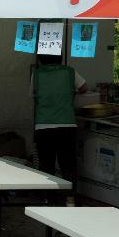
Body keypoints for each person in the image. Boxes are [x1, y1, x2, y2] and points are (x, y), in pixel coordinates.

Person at [32, 54, 87, 198]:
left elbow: (32, 95)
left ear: (40, 59)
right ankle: (70, 199)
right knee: (68, 166)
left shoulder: (36, 75)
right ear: (61, 57)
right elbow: (84, 87)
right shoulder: (69, 71)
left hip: (43, 126)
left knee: (46, 166)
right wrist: (71, 92)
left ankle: (48, 199)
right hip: (67, 125)